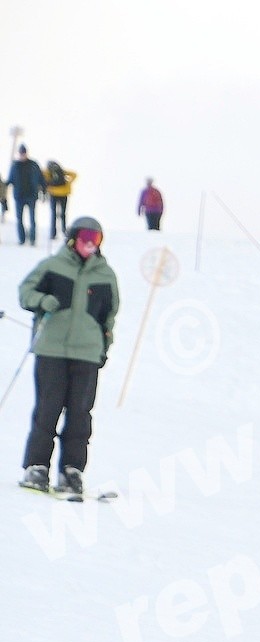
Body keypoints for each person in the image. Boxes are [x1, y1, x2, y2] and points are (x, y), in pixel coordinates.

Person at [17, 216, 118, 498]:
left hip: (86, 353)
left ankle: (72, 470)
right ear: (72, 238)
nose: (90, 244)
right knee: (48, 408)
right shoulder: (52, 266)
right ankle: (37, 466)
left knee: (80, 413)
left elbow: (109, 316)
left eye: (96, 239)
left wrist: (103, 347)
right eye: (85, 237)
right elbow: (25, 292)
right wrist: (42, 301)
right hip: (52, 349)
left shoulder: (105, 275)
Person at [8, 145, 45, 245]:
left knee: (32, 219)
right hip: (19, 196)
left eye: (23, 153)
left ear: (26, 153)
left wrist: (44, 191)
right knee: (19, 219)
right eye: (21, 153)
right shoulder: (15, 166)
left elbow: (41, 178)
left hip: (31, 196)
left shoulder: (33, 164)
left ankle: (32, 239)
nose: (22, 155)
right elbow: (10, 180)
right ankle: (22, 239)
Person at [44, 160, 77, 241]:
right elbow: (74, 174)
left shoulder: (48, 172)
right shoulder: (62, 171)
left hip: (53, 194)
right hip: (64, 193)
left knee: (53, 214)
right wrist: (68, 182)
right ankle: (64, 230)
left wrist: (48, 188)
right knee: (63, 213)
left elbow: (43, 179)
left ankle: (53, 233)